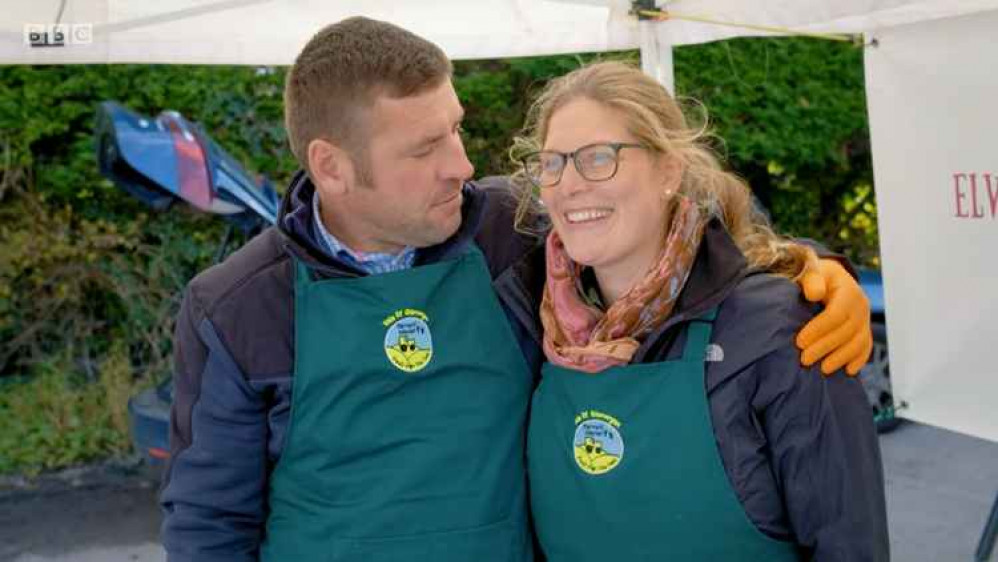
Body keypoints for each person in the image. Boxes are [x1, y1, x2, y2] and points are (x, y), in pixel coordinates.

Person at [159, 18, 874, 562]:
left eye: (457, 131)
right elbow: (208, 526)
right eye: (424, 149)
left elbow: (672, 226)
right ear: (332, 167)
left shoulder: (505, 232)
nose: (461, 165)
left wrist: (815, 270)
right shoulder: (237, 305)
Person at [510, 61, 889, 561]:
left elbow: (850, 545)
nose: (570, 184)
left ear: (669, 169)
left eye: (599, 158)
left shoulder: (779, 330)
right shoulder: (527, 311)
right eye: (553, 162)